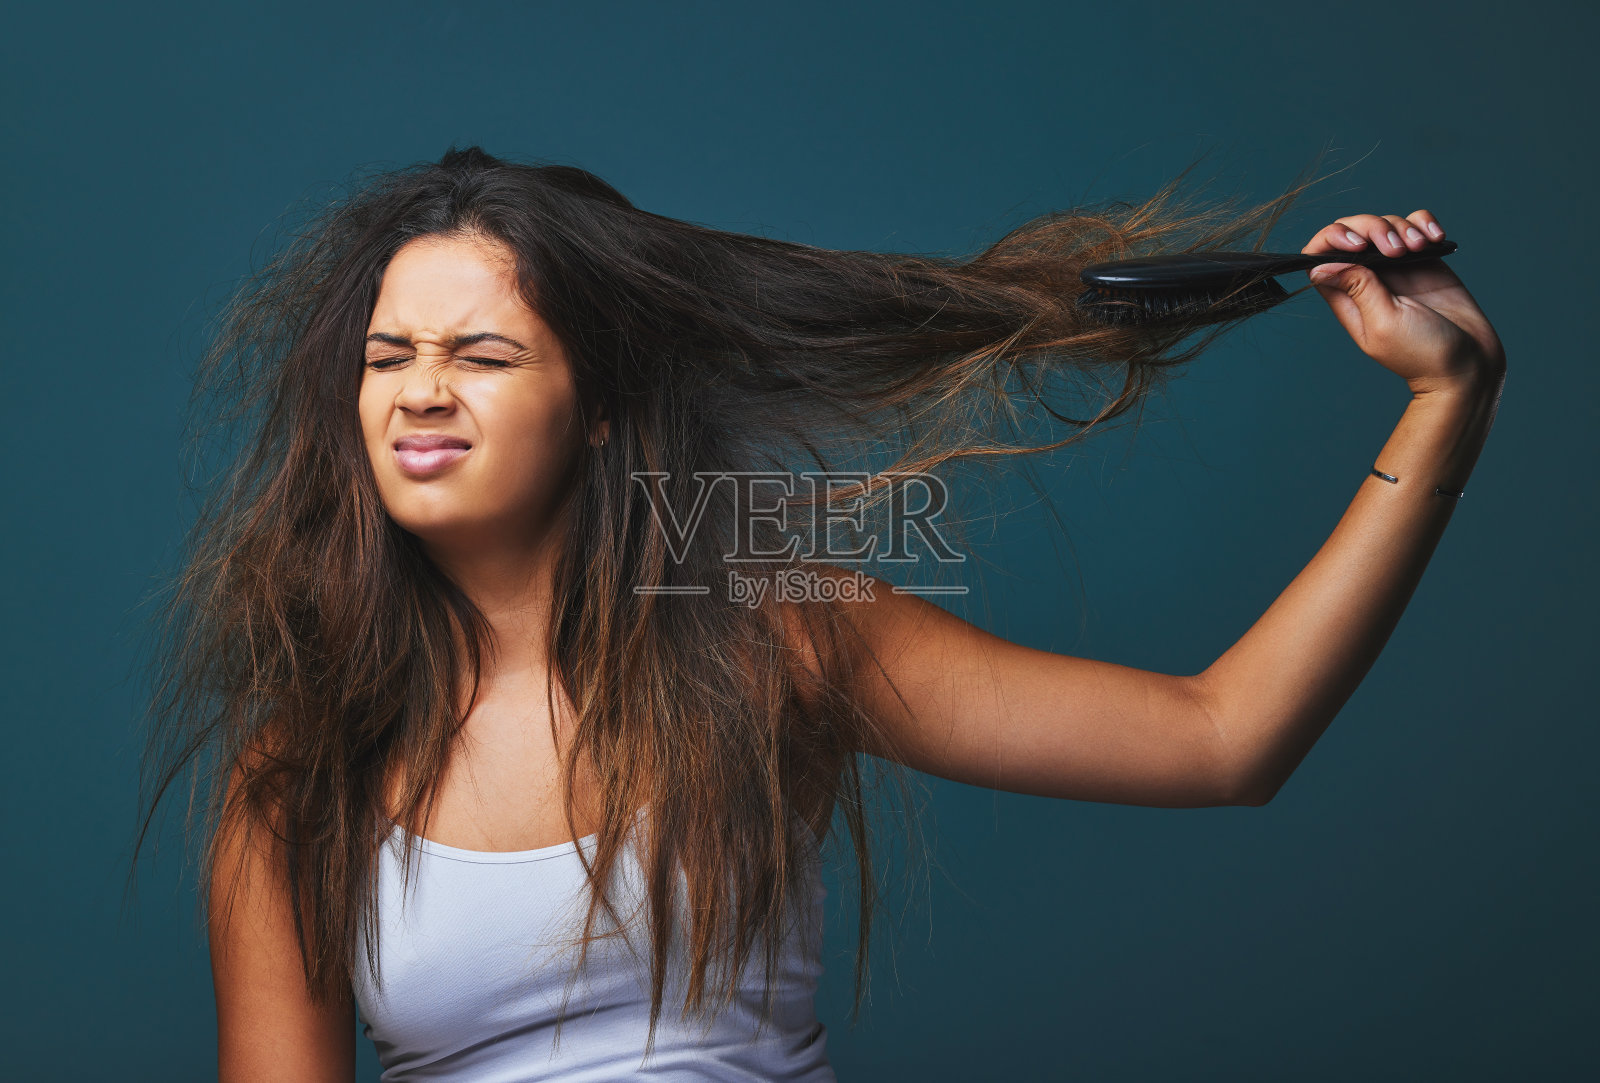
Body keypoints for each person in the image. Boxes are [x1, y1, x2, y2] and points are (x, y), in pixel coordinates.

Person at [132, 145, 1504, 1081]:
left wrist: (1444, 405)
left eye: (481, 354)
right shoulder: (295, 777)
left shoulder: (763, 618)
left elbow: (1223, 740)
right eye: (390, 357)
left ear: (602, 407)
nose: (421, 390)